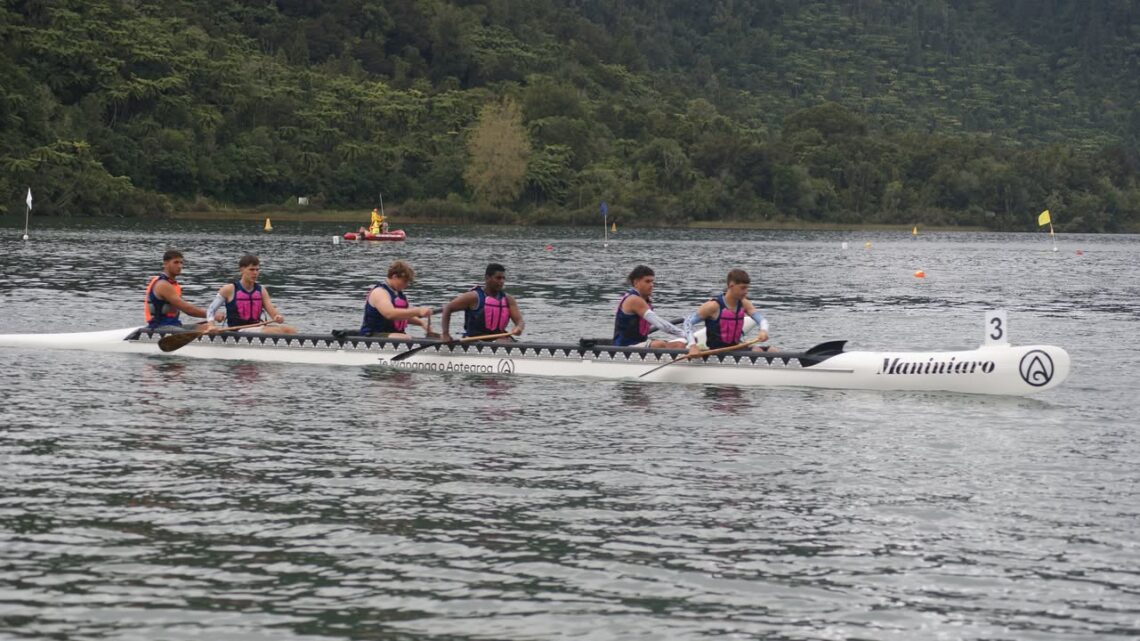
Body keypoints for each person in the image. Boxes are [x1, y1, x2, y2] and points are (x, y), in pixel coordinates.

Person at [683, 268, 773, 355]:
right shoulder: (713, 306)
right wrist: (692, 345)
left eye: (747, 288)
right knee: (757, 351)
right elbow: (687, 322)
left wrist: (763, 331)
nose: (746, 292)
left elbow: (762, 320)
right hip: (717, 352)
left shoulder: (744, 304)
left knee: (772, 350)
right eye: (743, 288)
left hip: (736, 348)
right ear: (731, 285)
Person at [206, 254, 296, 334]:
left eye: (257, 270)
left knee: (290, 330)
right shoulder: (229, 289)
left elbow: (273, 313)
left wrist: (278, 317)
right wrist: (211, 325)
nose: (255, 273)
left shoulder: (261, 290)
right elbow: (211, 310)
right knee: (276, 331)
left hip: (256, 328)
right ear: (242, 270)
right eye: (251, 269)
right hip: (237, 331)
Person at [439, 263, 525, 342]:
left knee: (502, 341)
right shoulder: (473, 297)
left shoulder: (509, 299)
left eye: (503, 278)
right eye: (498, 278)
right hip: (474, 340)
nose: (502, 281)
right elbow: (448, 308)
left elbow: (519, 321)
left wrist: (519, 328)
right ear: (487, 278)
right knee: (500, 342)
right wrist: (445, 334)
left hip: (499, 339)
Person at [613, 265, 687, 348]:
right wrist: (687, 335)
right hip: (624, 348)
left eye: (652, 282)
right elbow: (661, 324)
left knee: (680, 344)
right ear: (636, 282)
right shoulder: (634, 300)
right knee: (659, 344)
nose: (651, 285)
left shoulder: (645, 300)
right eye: (647, 281)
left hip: (637, 344)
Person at [361, 259, 432, 338]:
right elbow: (390, 314)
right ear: (394, 276)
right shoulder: (380, 292)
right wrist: (418, 311)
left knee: (407, 337)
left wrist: (421, 323)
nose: (406, 285)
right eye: (404, 281)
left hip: (393, 335)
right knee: (405, 338)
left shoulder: (398, 294)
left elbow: (403, 316)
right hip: (373, 335)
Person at [144, 249, 208, 328]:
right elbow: (188, 309)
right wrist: (211, 314)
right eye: (176, 262)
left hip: (172, 325)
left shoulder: (173, 284)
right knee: (206, 328)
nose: (180, 266)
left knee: (206, 326)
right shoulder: (163, 285)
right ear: (165, 264)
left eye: (181, 263)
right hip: (159, 328)